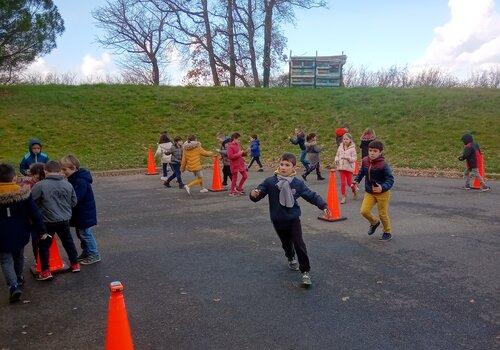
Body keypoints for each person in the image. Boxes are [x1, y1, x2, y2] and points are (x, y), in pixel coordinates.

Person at [249, 153, 330, 287]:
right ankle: (290, 257)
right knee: (286, 243)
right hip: (277, 219)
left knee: (299, 243)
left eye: (287, 165)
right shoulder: (270, 182)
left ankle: (305, 271)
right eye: (281, 164)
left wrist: (323, 205)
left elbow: (311, 195)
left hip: (293, 219)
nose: (283, 167)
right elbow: (258, 193)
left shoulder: (297, 183)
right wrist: (254, 193)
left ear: (293, 168)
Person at [0, 163, 46, 302]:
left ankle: (13, 286)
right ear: (13, 177)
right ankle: (19, 276)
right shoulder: (23, 193)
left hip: (1, 235)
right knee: (18, 255)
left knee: (5, 259)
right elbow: (34, 212)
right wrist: (41, 229)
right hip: (21, 231)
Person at [31, 161, 80, 280]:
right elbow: (74, 202)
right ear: (59, 171)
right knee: (68, 242)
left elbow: (32, 202)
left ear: (45, 171)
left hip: (47, 221)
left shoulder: (40, 185)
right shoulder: (67, 185)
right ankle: (75, 264)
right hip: (64, 219)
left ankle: (46, 271)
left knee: (44, 246)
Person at [60, 155, 101, 265]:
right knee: (81, 233)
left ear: (73, 167)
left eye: (65, 169)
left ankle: (94, 254)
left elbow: (77, 197)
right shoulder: (74, 178)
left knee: (85, 234)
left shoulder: (80, 180)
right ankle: (87, 251)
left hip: (84, 212)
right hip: (80, 212)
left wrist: (65, 202)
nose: (63, 172)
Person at [353, 140, 395, 241]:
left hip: (382, 193)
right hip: (370, 192)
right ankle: (374, 222)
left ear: (380, 152)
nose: (372, 153)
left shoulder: (383, 165)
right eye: (370, 150)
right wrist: (356, 180)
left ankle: (387, 232)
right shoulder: (365, 160)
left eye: (375, 151)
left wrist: (382, 187)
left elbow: (390, 179)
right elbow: (362, 171)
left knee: (382, 214)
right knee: (364, 211)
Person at [17, 163, 46, 261]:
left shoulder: (43, 183)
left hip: (37, 216)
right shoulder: (26, 184)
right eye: (34, 176)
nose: (35, 179)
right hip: (28, 216)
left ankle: (38, 258)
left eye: (39, 177)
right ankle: (21, 256)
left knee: (37, 238)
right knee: (25, 237)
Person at [335, 133, 358, 204]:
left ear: (350, 140)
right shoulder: (340, 147)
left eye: (347, 139)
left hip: (349, 168)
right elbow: (337, 155)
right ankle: (343, 197)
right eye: (344, 139)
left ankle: (354, 190)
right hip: (341, 167)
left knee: (349, 183)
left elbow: (355, 159)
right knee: (342, 183)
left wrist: (348, 158)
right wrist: (336, 160)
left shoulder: (352, 148)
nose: (345, 140)